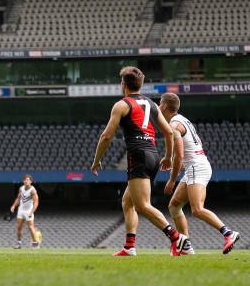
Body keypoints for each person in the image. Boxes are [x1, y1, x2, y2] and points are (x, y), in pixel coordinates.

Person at [91, 66, 189, 256]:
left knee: (143, 205)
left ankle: (176, 238)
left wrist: (97, 160)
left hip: (138, 155)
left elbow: (106, 136)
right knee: (128, 202)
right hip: (152, 155)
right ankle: (129, 246)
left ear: (124, 85)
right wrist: (167, 157)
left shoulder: (122, 105)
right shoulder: (152, 104)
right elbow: (168, 132)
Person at [159, 93, 240, 254]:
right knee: (174, 206)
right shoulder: (183, 120)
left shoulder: (174, 125)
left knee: (197, 209)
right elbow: (198, 142)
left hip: (197, 166)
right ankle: (186, 245)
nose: (159, 106)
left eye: (160, 103)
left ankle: (228, 233)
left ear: (165, 106)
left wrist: (171, 180)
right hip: (195, 165)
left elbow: (179, 155)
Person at [9, 175, 41, 249]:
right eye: (25, 180)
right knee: (19, 227)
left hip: (28, 211)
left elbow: (36, 202)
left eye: (27, 180)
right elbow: (18, 198)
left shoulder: (33, 190)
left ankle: (35, 244)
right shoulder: (21, 188)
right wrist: (13, 206)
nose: (26, 181)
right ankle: (19, 243)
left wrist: (32, 212)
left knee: (31, 227)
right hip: (21, 210)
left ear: (30, 181)